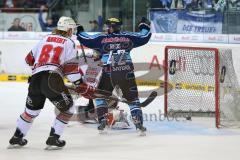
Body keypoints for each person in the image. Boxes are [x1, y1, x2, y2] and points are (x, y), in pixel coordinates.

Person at [8, 16, 95, 149]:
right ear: (69, 29)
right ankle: (53, 138)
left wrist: (40, 69)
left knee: (31, 112)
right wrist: (80, 84)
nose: (73, 32)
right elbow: (71, 70)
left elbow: (28, 60)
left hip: (35, 79)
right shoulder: (69, 42)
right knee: (68, 108)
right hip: (52, 79)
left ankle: (17, 137)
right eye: (72, 29)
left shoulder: (44, 39)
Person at [76, 17, 151, 135]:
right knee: (133, 100)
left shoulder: (102, 39)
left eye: (108, 26)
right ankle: (138, 124)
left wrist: (79, 30)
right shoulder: (128, 37)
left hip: (108, 73)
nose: (106, 28)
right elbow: (144, 36)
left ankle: (103, 122)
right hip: (126, 72)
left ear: (111, 27)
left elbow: (86, 39)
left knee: (100, 97)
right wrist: (144, 25)